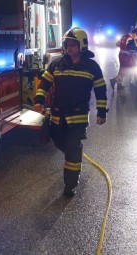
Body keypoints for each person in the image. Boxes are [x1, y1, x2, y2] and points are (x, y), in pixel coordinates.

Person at [33, 27, 108, 197]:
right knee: (61, 143)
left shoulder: (91, 67)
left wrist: (102, 112)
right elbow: (44, 83)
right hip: (58, 116)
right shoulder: (57, 64)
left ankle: (70, 185)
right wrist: (39, 101)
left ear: (82, 45)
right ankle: (73, 158)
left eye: (73, 45)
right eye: (67, 44)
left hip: (78, 116)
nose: (70, 48)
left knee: (73, 148)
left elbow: (101, 90)